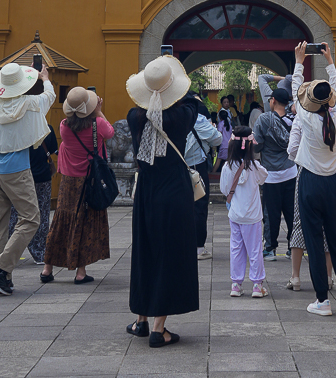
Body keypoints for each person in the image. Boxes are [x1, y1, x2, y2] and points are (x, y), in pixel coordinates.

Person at [126, 55, 199, 348]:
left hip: (146, 190)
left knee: (145, 251)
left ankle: (141, 320)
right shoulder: (182, 116)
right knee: (170, 253)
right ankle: (159, 328)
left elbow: (147, 107)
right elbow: (192, 99)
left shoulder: (134, 116)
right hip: (174, 191)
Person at [291, 40, 336, 317]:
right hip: (332, 183)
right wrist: (330, 61)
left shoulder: (307, 118)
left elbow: (296, 92)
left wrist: (299, 62)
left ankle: (322, 300)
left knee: (314, 243)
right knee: (335, 242)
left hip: (310, 182)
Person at [0, 61, 55, 295]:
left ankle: (3, 279)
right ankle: (0, 269)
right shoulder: (28, 103)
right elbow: (49, 97)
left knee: (0, 222)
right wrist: (44, 78)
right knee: (31, 218)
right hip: (16, 169)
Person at [42, 87, 112, 283]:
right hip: (89, 181)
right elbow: (110, 132)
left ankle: (47, 268)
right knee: (84, 222)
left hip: (68, 181)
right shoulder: (97, 124)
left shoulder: (64, 125)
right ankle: (80, 272)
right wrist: (99, 112)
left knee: (60, 221)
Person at [220, 126, 269, 298]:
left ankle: (236, 284)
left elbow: (224, 189)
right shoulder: (255, 166)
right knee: (255, 249)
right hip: (252, 215)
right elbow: (264, 178)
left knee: (236, 248)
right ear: (249, 146)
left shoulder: (227, 167)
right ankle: (257, 285)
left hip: (235, 213)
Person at [286, 115, 334, 292]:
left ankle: (296, 277)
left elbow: (292, 148)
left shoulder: (301, 118)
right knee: (329, 225)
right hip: (331, 173)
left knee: (300, 223)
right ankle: (328, 277)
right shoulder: (334, 115)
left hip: (307, 172)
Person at [252, 86, 296, 262]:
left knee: (271, 213)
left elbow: (256, 145)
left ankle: (270, 248)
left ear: (273, 101)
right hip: (291, 171)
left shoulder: (264, 120)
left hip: (270, 174)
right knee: (292, 212)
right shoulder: (294, 119)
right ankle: (294, 247)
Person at [11, 108, 58, 266]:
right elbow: (53, 150)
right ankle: (39, 252)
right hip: (42, 177)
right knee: (42, 215)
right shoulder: (47, 129)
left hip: (21, 176)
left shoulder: (18, 130)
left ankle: (6, 252)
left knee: (14, 215)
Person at [184, 100, 222, 260]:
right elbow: (218, 139)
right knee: (199, 207)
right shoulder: (199, 120)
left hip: (175, 168)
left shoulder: (170, 118)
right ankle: (199, 248)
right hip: (196, 168)